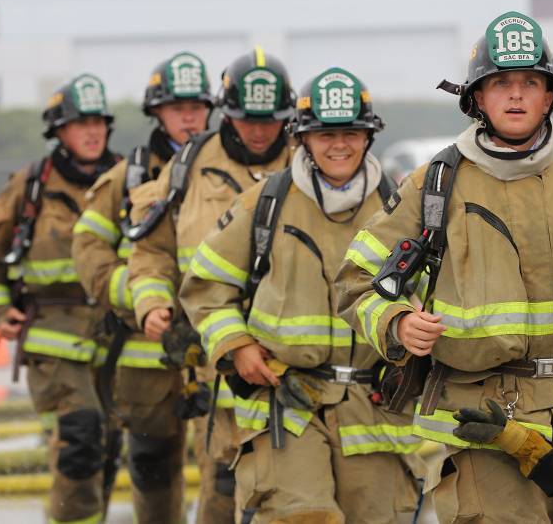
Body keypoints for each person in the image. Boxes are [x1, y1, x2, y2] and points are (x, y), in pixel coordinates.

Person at [335, 12, 553, 523]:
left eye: (530, 82)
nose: (516, 95)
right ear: (477, 99)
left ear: (550, 96)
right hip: (482, 419)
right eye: (501, 83)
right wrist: (396, 323)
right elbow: (357, 280)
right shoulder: (434, 185)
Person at [179, 68, 422, 522]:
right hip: (285, 403)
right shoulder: (263, 204)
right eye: (326, 134)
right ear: (303, 138)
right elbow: (205, 286)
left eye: (351, 133)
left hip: (375, 409)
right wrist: (236, 345)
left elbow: (432, 291)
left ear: (368, 136)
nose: (339, 145)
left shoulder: (402, 208)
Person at [127, 47, 294, 523]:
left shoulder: (310, 159)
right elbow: (152, 249)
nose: (259, 131)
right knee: (224, 485)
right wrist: (152, 302)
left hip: (296, 360)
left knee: (292, 490)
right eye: (247, 119)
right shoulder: (189, 165)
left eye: (271, 120)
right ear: (226, 112)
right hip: (217, 360)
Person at [0, 74, 120, 524]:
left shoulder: (129, 179)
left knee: (108, 447)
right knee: (79, 439)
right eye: (80, 123)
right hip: (53, 338)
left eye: (98, 122)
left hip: (116, 337)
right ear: (59, 131)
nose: (92, 132)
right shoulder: (31, 186)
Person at [72, 52, 213, 523]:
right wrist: (136, 294)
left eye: (196, 107)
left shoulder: (224, 168)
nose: (188, 117)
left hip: (218, 343)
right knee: (153, 466)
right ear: (157, 112)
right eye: (177, 108)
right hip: (146, 352)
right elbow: (88, 246)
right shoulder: (129, 176)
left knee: (226, 465)